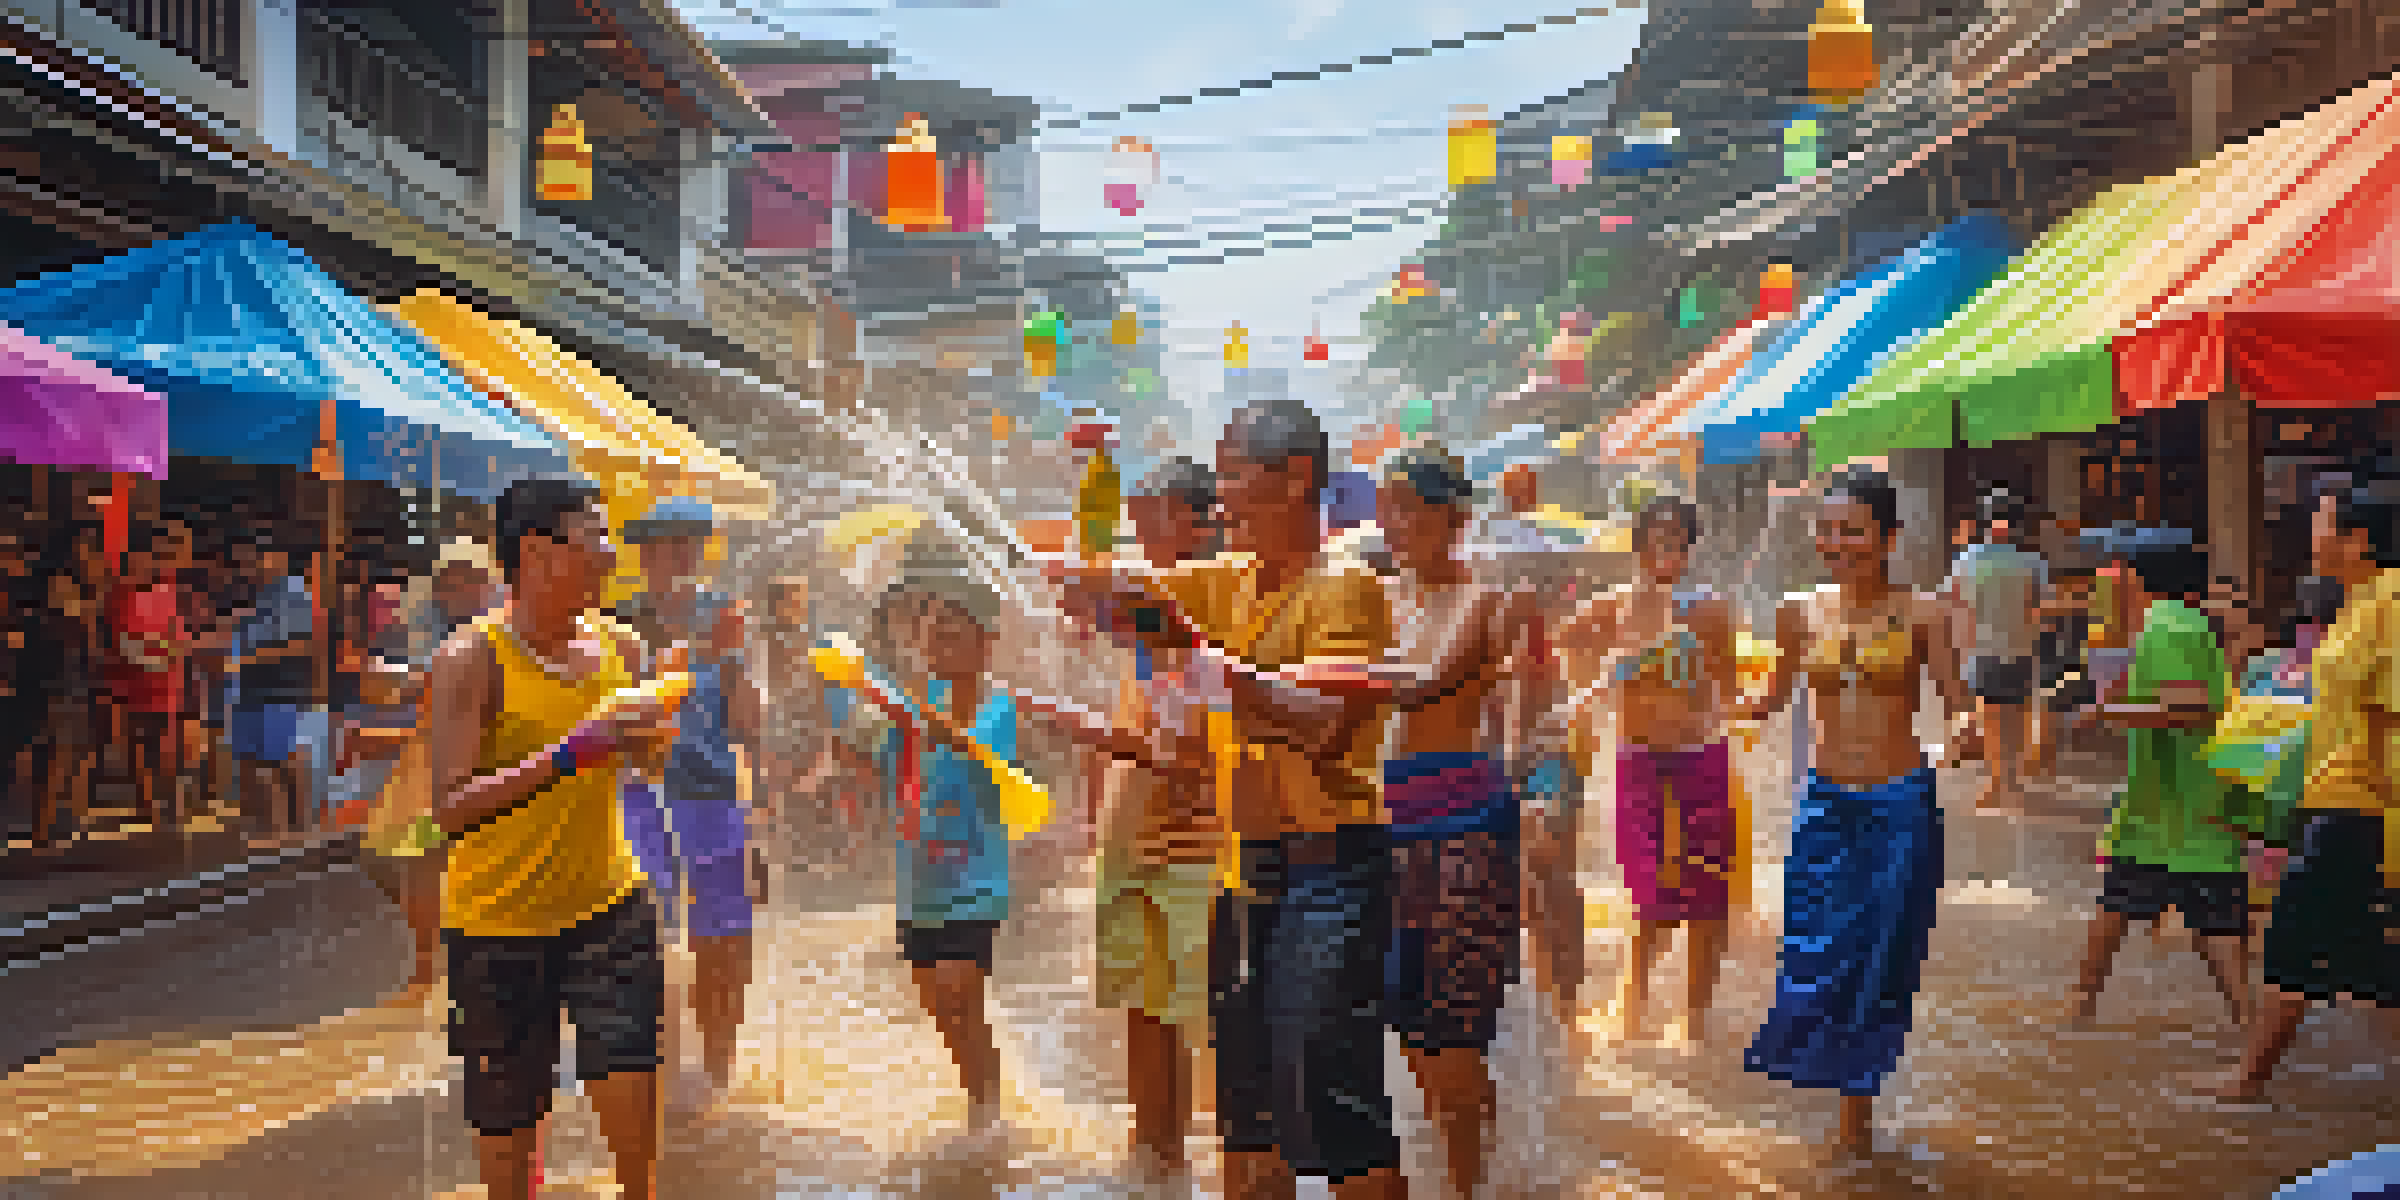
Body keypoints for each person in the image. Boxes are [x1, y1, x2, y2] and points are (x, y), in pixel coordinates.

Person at [1055, 398, 1406, 1200]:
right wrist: (1086, 553)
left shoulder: (1346, 588)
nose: (1221, 498)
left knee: (1337, 1111)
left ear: (1296, 479)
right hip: (1244, 871)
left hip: (1332, 872)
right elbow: (1120, 596)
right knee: (1246, 1118)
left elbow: (1319, 722)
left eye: (1236, 475)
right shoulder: (1230, 580)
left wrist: (1202, 663)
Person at [1283, 444, 1543, 1200]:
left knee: (1449, 1038)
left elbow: (1426, 683)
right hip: (1380, 824)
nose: (1391, 523)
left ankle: (1466, 1188)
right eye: (1385, 507)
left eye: (1408, 507)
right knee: (1405, 1028)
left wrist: (1301, 674)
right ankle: (1489, 1169)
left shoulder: (1491, 598)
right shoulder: (1375, 595)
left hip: (1462, 826)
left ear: (1453, 516)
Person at [423, 476, 679, 1200]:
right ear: (536, 553)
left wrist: (656, 731)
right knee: (507, 1143)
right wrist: (570, 753)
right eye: (595, 537)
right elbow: (449, 808)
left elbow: (643, 765)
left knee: (633, 1109)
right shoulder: (471, 660)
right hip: (496, 931)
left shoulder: (621, 648)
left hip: (609, 909)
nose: (609, 555)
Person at [1736, 466, 1970, 1157]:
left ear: (1889, 536)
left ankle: (1854, 1124)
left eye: (1853, 531)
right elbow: (1774, 697)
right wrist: (1723, 706)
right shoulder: (1797, 612)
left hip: (1900, 805)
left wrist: (1963, 735)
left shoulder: (1925, 613)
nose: (1837, 543)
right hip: (1826, 806)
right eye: (1827, 530)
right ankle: (1835, 1092)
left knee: (1879, 961)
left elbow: (1957, 703)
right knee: (1812, 952)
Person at [2203, 471, 2400, 1103]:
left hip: (2359, 804)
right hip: (2339, 798)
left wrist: (2374, 775)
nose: (2311, 535)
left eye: (2321, 524)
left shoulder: (2390, 606)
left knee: (2294, 942)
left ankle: (2245, 1084)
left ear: (2359, 540)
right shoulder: (2363, 603)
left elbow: (2388, 709)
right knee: (2368, 962)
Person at [1075, 458, 1224, 1183]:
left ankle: (1194, 1156)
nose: (1141, 526)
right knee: (1140, 995)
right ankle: (1150, 1154)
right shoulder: (1143, 598)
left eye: (1156, 513)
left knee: (1195, 1002)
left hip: (1197, 823)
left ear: (1200, 522)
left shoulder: (1223, 599)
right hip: (1133, 817)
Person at [1555, 494, 1739, 1049]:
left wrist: (1707, 706)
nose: (1667, 550)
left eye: (1678, 540)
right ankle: (1632, 1004)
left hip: (1700, 759)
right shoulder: (1611, 608)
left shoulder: (1709, 611)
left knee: (1708, 894)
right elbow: (1561, 641)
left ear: (1690, 547)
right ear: (1637, 547)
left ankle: (1694, 1019)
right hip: (1638, 763)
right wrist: (1587, 694)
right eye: (1656, 539)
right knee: (1649, 893)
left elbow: (1728, 687)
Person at [857, 538, 1025, 1136]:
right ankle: (974, 1090)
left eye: (955, 632)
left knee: (962, 991)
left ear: (986, 642)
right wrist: (864, 741)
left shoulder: (999, 707)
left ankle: (990, 1112)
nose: (941, 641)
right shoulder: (913, 705)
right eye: (933, 633)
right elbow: (887, 769)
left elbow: (981, 756)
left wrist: (922, 722)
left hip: (975, 881)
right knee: (937, 1001)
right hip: (918, 881)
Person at [2066, 544, 2255, 1028]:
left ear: (2135, 578)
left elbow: (2191, 708)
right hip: (2195, 798)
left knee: (2120, 905)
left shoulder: (2166, 627)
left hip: (2170, 806)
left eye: (2118, 573)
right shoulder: (2186, 625)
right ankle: (2251, 1029)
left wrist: (2106, 712)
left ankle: (2073, 1014)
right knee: (2216, 923)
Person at [617, 497, 765, 1101]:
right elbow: (614, 714)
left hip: (713, 798)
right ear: (645, 556)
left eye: (691, 545)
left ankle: (717, 1074)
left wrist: (737, 660)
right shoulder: (621, 624)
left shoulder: (724, 617)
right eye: (667, 546)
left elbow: (748, 724)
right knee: (646, 941)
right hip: (641, 799)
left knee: (721, 943)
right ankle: (658, 1071)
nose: (680, 557)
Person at [1944, 488, 2049, 810]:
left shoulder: (1966, 559)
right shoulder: (2032, 561)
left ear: (1984, 522)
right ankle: (2011, 781)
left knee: (1990, 719)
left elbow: (1952, 603)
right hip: (2021, 646)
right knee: (2015, 717)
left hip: (1982, 649)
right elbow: (2041, 605)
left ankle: (1995, 783)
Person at [227, 543, 325, 837]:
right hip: (251, 690)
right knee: (255, 763)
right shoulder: (260, 595)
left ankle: (297, 831)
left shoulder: (293, 592)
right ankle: (272, 830)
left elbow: (301, 645)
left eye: (261, 556)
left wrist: (246, 659)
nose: (253, 563)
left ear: (280, 557)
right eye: (249, 558)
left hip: (279, 690)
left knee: (283, 762)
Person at [107, 520, 191, 831]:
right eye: (141, 558)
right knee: (138, 749)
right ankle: (148, 807)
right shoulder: (120, 594)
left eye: (151, 558)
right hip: (133, 685)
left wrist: (159, 651)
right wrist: (159, 651)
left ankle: (167, 808)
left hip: (166, 687)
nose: (148, 564)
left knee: (163, 749)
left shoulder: (165, 592)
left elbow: (178, 639)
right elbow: (125, 642)